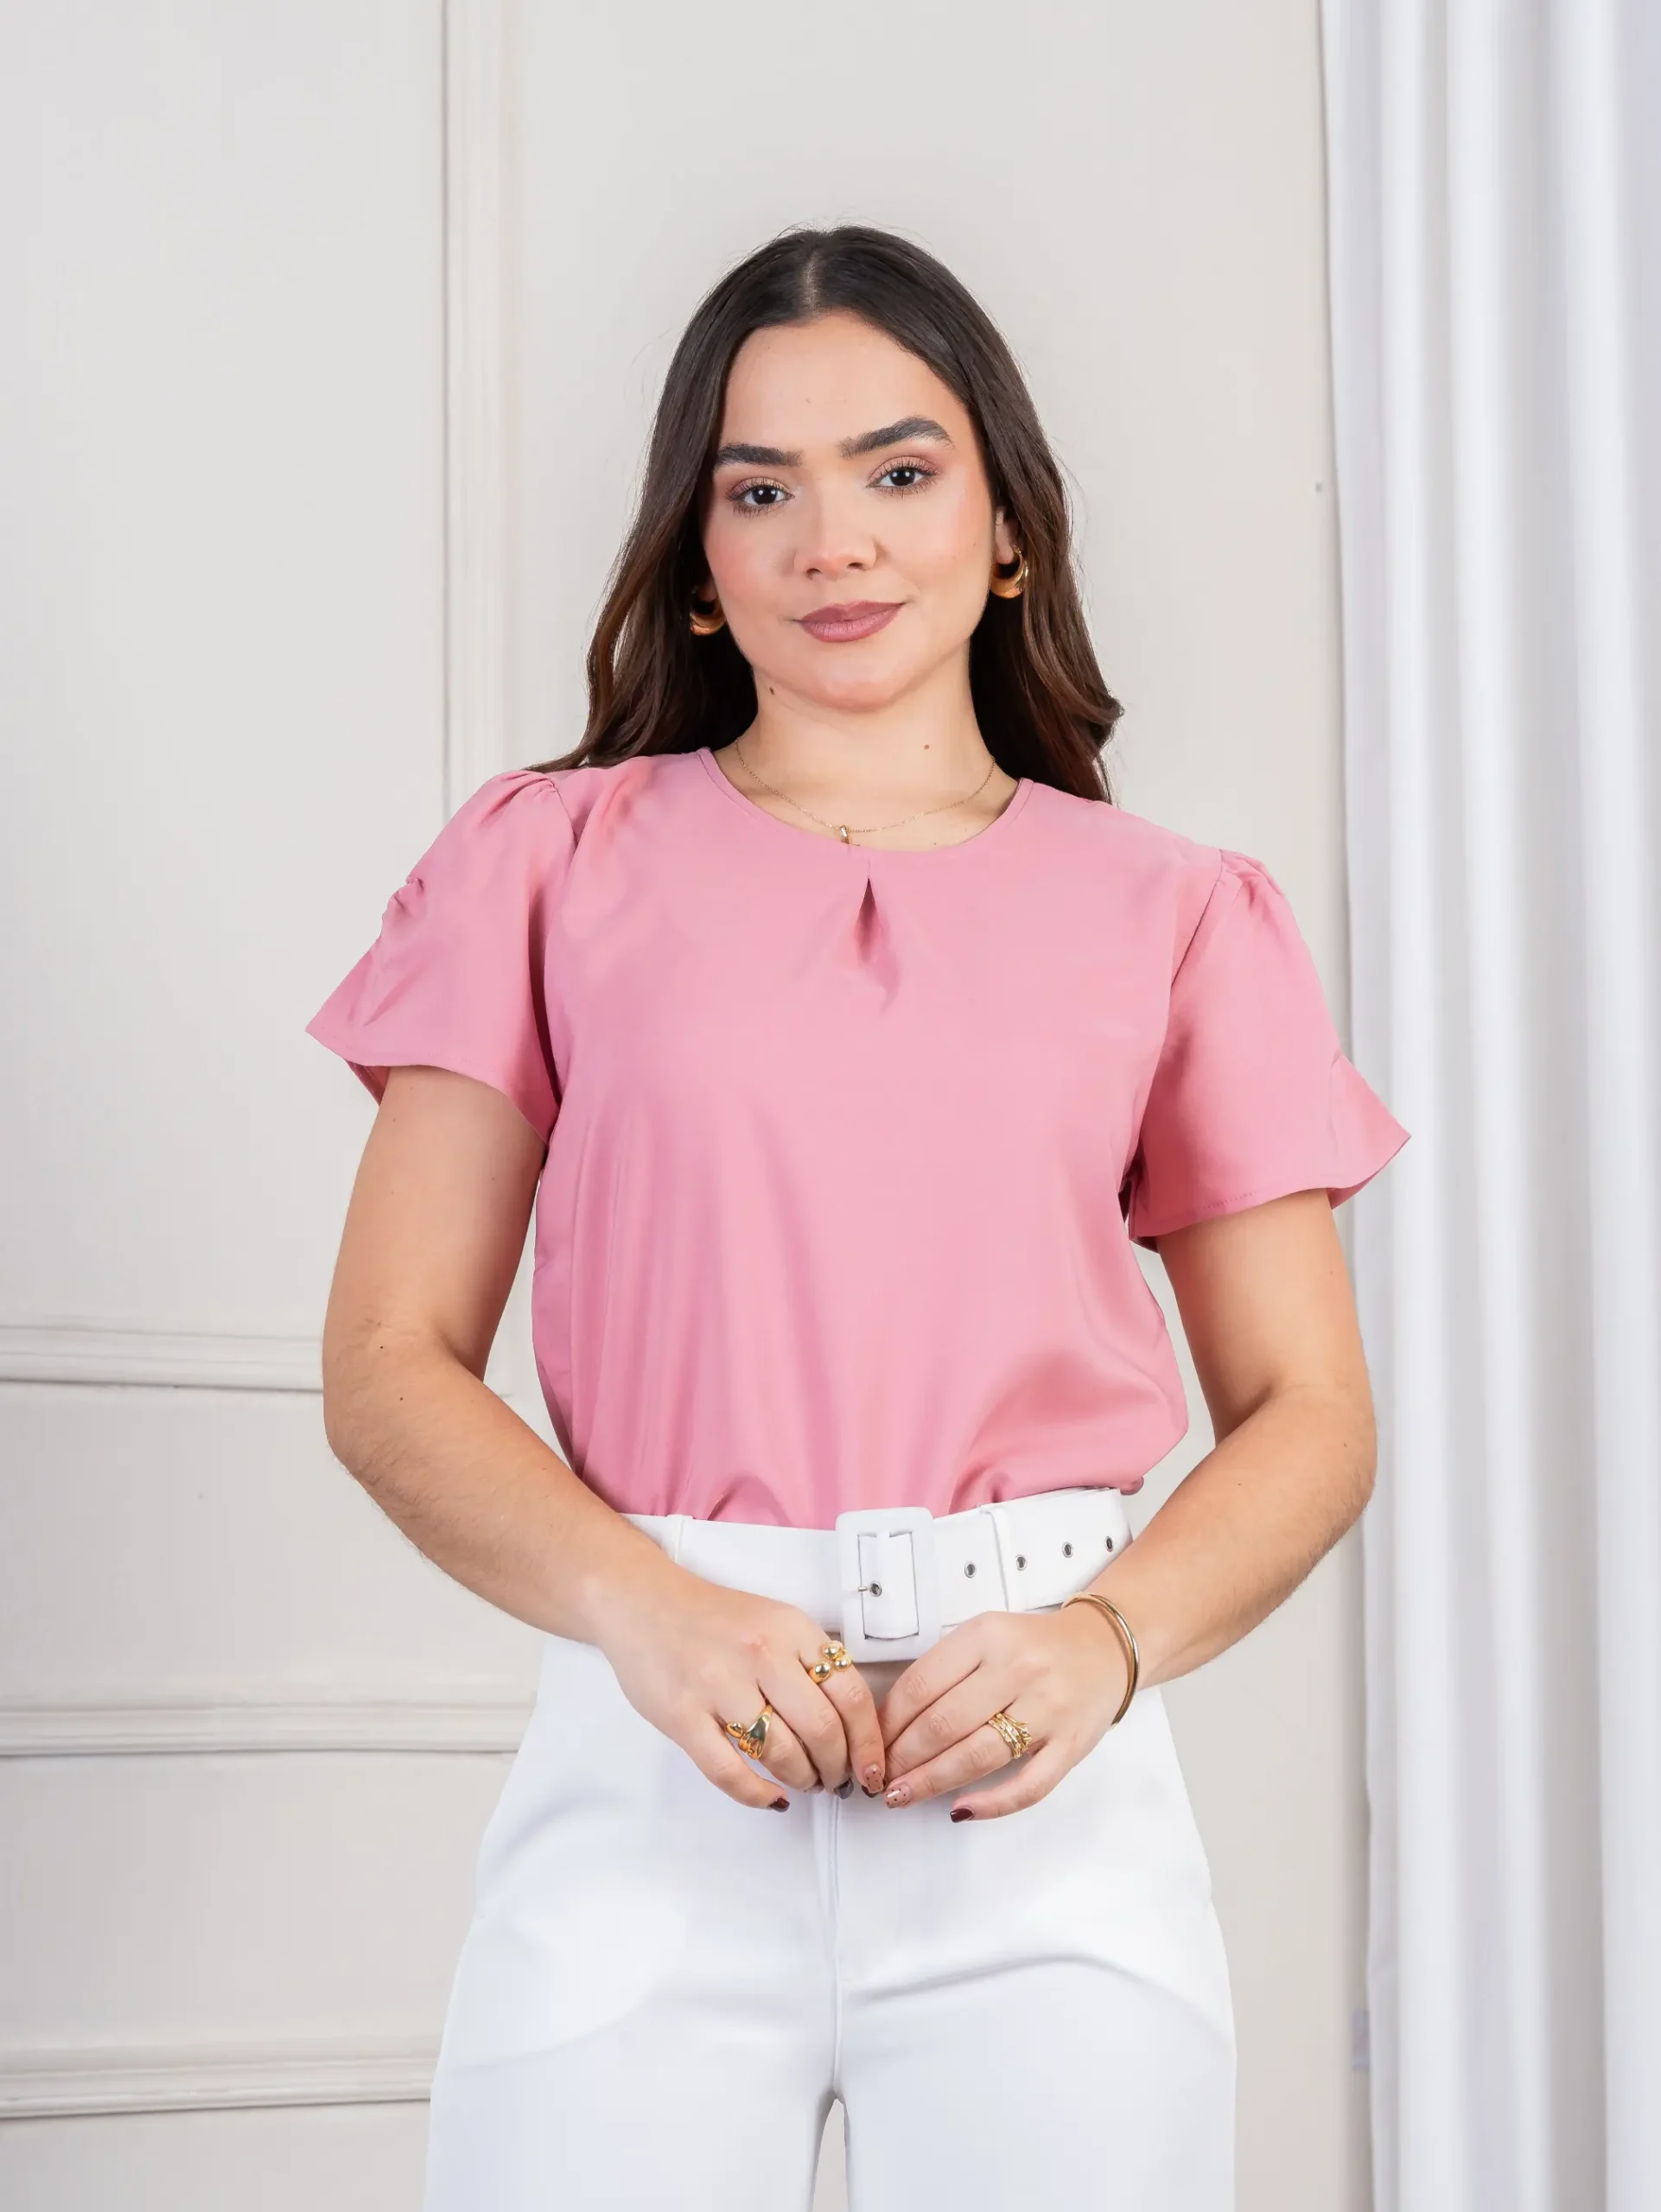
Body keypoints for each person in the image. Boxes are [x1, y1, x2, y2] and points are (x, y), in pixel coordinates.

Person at [305, 225, 1410, 2212]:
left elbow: (1311, 1411)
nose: (834, 542)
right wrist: (642, 1607)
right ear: (698, 561)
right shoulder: (543, 865)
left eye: (899, 470)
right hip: (653, 1770)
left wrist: (1105, 1638)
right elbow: (389, 1361)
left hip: (1040, 1805)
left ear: (1007, 527)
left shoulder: (1178, 912)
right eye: (760, 491)